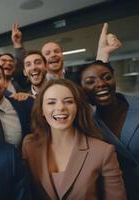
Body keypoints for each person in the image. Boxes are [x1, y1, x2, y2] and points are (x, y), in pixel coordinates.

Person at [22, 78, 126, 199]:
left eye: (68, 101)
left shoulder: (103, 151)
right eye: (51, 102)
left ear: (77, 108)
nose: (60, 107)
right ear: (41, 110)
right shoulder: (29, 145)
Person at [79, 60, 139, 200]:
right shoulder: (89, 126)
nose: (100, 84)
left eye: (107, 77)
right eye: (90, 81)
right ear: (81, 90)